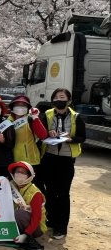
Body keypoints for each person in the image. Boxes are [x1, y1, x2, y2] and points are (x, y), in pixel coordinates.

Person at [40, 88, 86, 239]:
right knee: (51, 192)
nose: (59, 99)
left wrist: (70, 138)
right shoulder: (46, 115)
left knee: (63, 193)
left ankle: (62, 227)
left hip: (66, 159)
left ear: (68, 100)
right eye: (56, 97)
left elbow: (82, 137)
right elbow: (40, 133)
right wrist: (48, 133)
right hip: (49, 157)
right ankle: (52, 221)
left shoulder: (76, 117)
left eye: (62, 97)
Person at [8, 161, 47, 244]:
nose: (19, 174)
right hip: (20, 221)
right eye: (17, 172)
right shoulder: (12, 186)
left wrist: (26, 234)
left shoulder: (35, 193)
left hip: (36, 227)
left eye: (23, 173)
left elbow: (37, 218)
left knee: (19, 214)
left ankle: (25, 234)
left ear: (29, 176)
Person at [8, 95, 48, 169]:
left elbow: (43, 135)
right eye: (17, 105)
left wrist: (35, 118)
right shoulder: (8, 122)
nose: (20, 107)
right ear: (12, 107)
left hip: (31, 160)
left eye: (23, 105)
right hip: (14, 159)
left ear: (27, 108)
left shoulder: (31, 119)